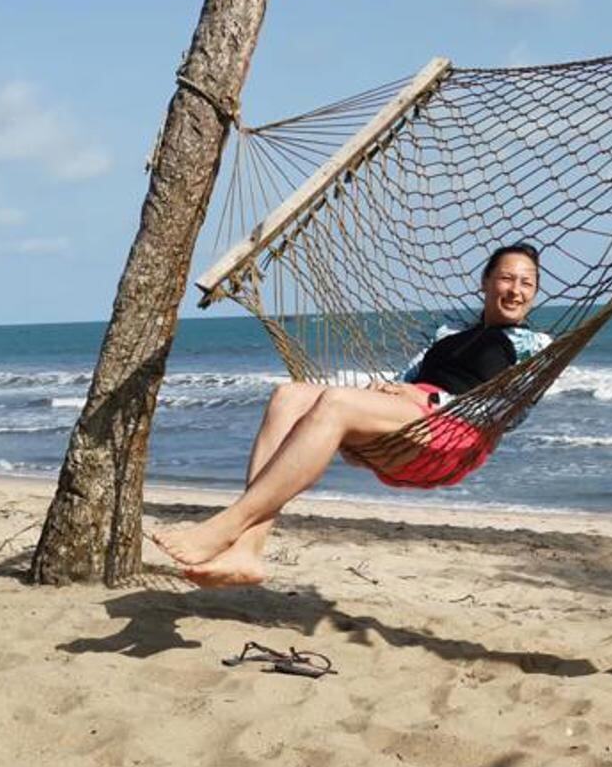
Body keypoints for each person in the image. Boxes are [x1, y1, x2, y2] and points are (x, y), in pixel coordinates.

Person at [149, 243, 551, 587]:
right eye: (506, 278)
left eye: (526, 283)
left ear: (534, 293)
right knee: (289, 397)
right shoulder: (447, 333)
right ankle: (249, 550)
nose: (516, 290)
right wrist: (377, 401)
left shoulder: (538, 345)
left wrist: (430, 401)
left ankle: (227, 526)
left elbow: (507, 413)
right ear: (485, 283)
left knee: (336, 403)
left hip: (455, 432)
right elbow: (403, 381)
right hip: (408, 418)